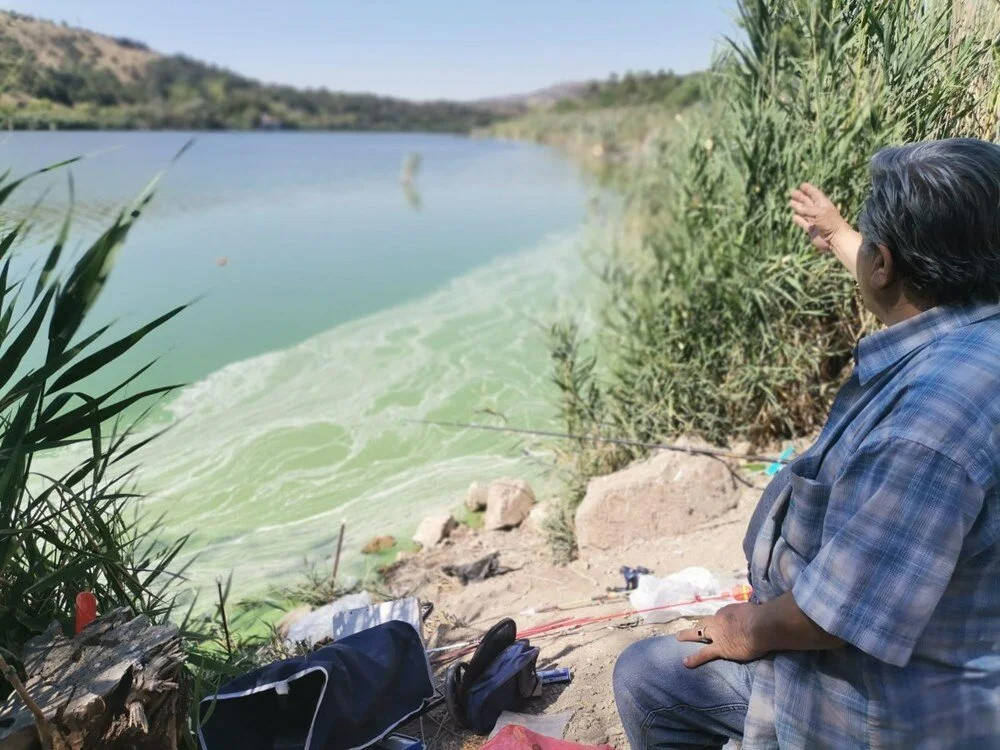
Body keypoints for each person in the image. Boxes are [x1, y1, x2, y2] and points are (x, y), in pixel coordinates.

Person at [613, 138, 1000, 749]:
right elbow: (907, 279)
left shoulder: (926, 431)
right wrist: (841, 231)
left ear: (886, 265)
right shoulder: (980, 331)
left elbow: (837, 614)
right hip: (957, 669)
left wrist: (749, 628)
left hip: (881, 715)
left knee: (647, 678)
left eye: (870, 244)